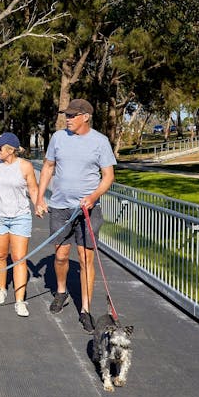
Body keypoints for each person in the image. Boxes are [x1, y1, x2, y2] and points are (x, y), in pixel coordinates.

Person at [35, 99, 116, 333]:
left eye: (72, 115)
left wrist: (94, 196)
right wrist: (40, 198)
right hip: (60, 207)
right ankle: (61, 292)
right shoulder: (58, 138)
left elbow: (108, 176)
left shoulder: (100, 142)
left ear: (85, 117)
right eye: (66, 115)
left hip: (88, 209)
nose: (67, 119)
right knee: (60, 256)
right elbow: (48, 167)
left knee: (85, 259)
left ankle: (86, 309)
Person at [0, 132, 40, 317]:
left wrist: (39, 204)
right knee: (0, 255)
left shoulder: (25, 166)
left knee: (19, 258)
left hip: (20, 216)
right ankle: (1, 289)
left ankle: (20, 300)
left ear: (10, 150)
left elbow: (33, 189)